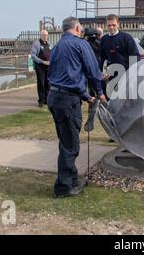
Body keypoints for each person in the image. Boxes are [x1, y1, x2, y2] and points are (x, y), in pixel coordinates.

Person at [47, 17, 106, 198]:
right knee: (70, 146)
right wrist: (99, 92)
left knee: (66, 141)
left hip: (54, 97)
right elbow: (92, 71)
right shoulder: (80, 44)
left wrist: (86, 96)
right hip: (67, 101)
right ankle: (64, 188)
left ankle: (71, 180)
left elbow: (60, 75)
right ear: (78, 28)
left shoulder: (56, 46)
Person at [31, 30, 51, 107]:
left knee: (48, 84)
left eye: (46, 35)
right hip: (40, 67)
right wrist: (42, 61)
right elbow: (33, 55)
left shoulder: (49, 43)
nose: (45, 37)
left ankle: (47, 99)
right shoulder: (36, 44)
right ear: (40, 35)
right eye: (43, 35)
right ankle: (41, 101)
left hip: (48, 66)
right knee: (41, 83)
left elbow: (51, 53)